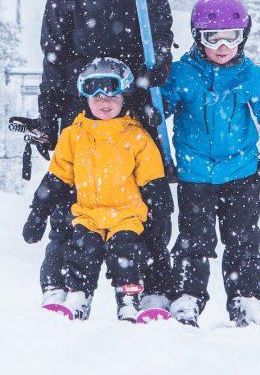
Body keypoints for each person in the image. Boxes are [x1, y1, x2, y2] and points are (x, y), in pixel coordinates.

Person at [29, 0, 175, 311]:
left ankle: (151, 287)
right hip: (83, 110)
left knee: (147, 198)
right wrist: (49, 115)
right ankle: (63, 284)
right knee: (73, 197)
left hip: (134, 107)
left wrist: (150, 75)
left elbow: (161, 38)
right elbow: (53, 57)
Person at [160, 0, 260, 327]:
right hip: (196, 175)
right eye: (213, 38)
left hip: (241, 174)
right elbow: (160, 110)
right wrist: (153, 104)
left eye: (231, 38)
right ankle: (186, 298)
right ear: (197, 37)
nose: (223, 47)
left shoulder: (251, 76)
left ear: (244, 37)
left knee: (243, 242)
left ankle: (246, 300)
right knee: (195, 241)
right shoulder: (182, 75)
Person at [22, 58, 170, 322]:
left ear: (124, 96)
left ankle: (128, 299)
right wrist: (38, 213)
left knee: (127, 254)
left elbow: (152, 180)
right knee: (80, 251)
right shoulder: (73, 135)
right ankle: (78, 296)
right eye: (97, 96)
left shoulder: (136, 135)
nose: (105, 103)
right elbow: (57, 177)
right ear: (85, 97)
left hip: (126, 215)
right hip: (88, 215)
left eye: (113, 97)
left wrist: (160, 215)